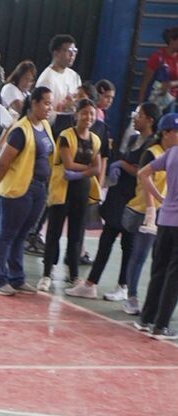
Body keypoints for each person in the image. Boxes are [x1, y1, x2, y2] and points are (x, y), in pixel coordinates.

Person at [66, 101, 160, 303]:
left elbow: (143, 173)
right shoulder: (134, 138)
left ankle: (123, 287)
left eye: (140, 115)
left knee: (128, 243)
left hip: (134, 200)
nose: (135, 118)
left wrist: (123, 164)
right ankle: (91, 284)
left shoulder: (152, 145)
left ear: (150, 120)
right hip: (118, 197)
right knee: (107, 239)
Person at [0, 84, 53, 295]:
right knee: (7, 234)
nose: (49, 107)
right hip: (20, 190)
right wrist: (2, 185)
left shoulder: (45, 126)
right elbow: (2, 162)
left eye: (50, 104)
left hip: (39, 189)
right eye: (45, 103)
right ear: (34, 103)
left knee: (22, 234)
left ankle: (16, 277)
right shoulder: (20, 129)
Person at [38, 98, 102, 292]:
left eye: (91, 114)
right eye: (84, 113)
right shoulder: (66, 136)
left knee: (76, 235)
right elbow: (68, 164)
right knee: (54, 233)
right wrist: (88, 169)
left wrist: (82, 173)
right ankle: (47, 274)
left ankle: (73, 275)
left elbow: (97, 168)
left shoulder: (95, 140)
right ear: (76, 115)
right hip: (62, 190)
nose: (88, 117)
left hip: (81, 191)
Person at [121, 109, 168, 316]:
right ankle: (131, 297)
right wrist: (151, 209)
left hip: (164, 212)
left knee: (161, 258)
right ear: (166, 132)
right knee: (139, 255)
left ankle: (156, 300)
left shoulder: (173, 154)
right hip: (143, 209)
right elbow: (145, 180)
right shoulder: (152, 152)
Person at [138, 111, 178, 339]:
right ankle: (161, 325)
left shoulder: (170, 154)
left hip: (165, 221)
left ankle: (146, 318)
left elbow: (144, 174)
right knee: (173, 276)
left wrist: (161, 200)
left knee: (159, 271)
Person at [35, 34, 80, 124]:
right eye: (69, 51)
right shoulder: (46, 79)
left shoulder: (74, 76)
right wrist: (66, 113)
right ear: (56, 53)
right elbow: (41, 113)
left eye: (75, 51)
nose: (72, 55)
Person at [138, 26, 178, 111]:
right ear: (172, 40)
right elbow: (145, 83)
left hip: (169, 102)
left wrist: (171, 84)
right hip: (153, 101)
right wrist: (140, 106)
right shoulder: (157, 57)